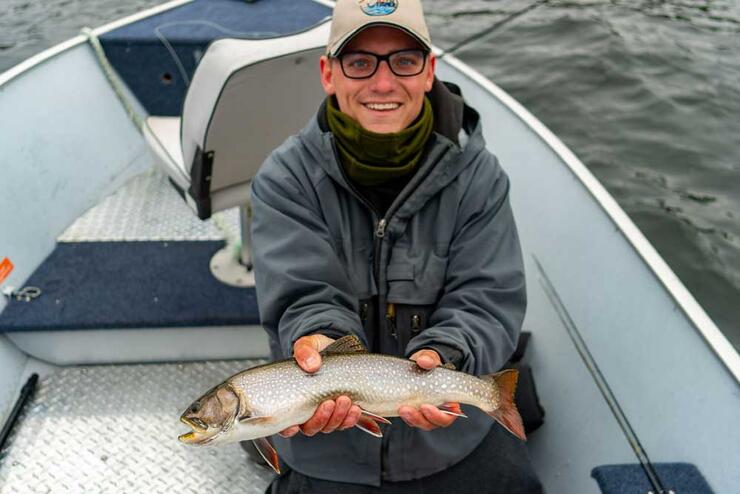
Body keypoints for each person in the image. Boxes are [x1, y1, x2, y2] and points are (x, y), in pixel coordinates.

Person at [250, 0, 543, 492]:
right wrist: (318, 340)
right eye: (360, 62)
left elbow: (486, 299)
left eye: (404, 61)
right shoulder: (284, 177)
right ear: (327, 73)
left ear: (429, 72)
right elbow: (302, 295)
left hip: (452, 442)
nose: (383, 84)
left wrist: (449, 356)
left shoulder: (480, 176)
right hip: (329, 453)